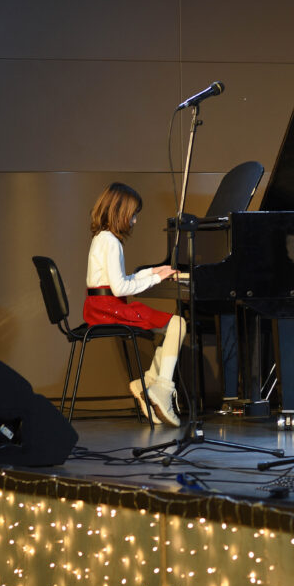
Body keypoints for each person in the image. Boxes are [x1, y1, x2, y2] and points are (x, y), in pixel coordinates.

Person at [83, 182, 184, 426]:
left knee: (172, 327)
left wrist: (153, 272)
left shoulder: (102, 238)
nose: (135, 220)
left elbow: (119, 281)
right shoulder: (110, 241)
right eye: (133, 214)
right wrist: (155, 279)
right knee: (178, 324)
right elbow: (120, 288)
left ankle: (146, 382)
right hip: (109, 308)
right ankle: (161, 389)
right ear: (120, 212)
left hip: (100, 306)